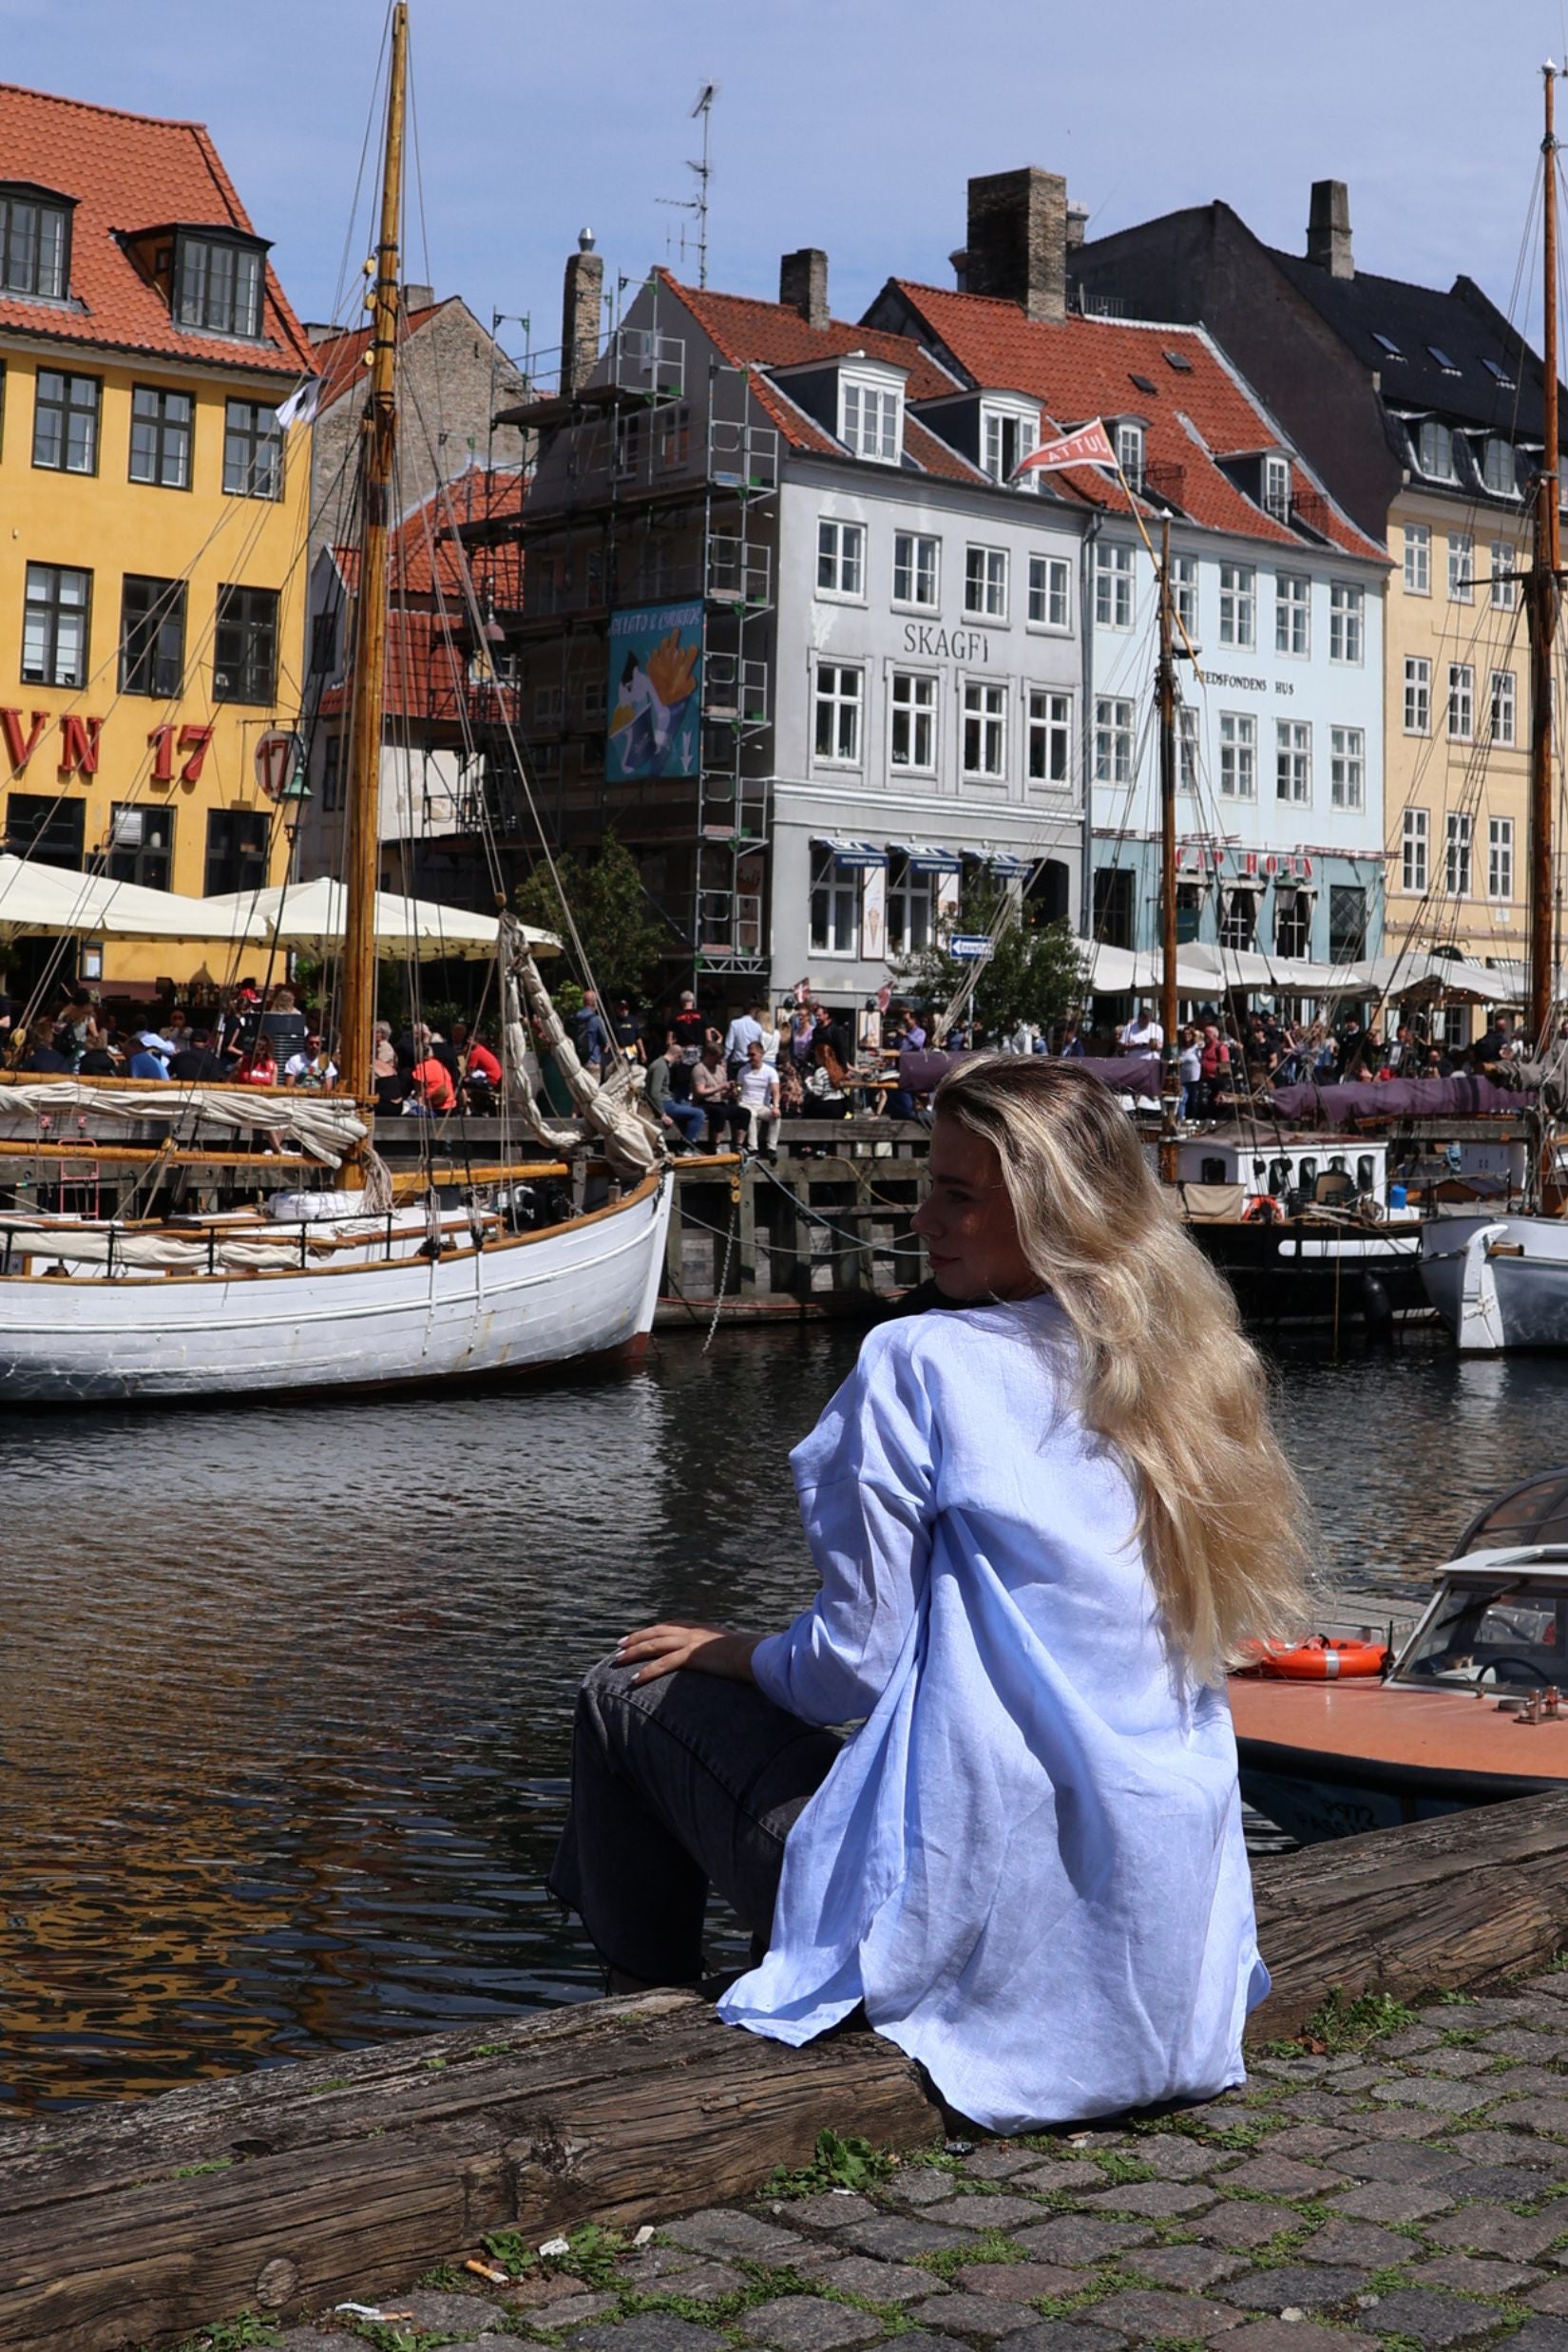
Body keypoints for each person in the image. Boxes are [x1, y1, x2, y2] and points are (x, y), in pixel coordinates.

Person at [550, 1059, 1310, 2132]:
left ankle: (637, 2035)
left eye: (958, 1195)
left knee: (621, 1692)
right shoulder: (1179, 1367)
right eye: (928, 1188)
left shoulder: (919, 1361)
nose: (922, 1220)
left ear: (1051, 1211)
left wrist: (732, 1649)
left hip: (974, 1924)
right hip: (1160, 1945)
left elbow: (851, 1671)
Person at [645, 1035, 705, 1150]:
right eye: (680, 1059)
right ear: (677, 1056)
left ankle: (684, 1142)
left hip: (667, 1102)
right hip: (664, 1104)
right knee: (699, 1114)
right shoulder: (660, 1067)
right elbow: (654, 1092)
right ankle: (687, 1147)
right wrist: (663, 1114)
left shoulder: (661, 1064)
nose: (679, 1062)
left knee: (688, 1110)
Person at [691, 1042, 744, 1146]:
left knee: (744, 1113)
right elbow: (700, 1092)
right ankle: (715, 1144)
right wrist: (720, 1087)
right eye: (716, 1058)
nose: (718, 1061)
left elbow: (722, 1095)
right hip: (703, 1102)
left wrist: (730, 1091)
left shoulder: (720, 1070)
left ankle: (739, 1144)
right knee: (720, 1112)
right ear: (709, 1055)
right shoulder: (699, 1069)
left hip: (719, 1101)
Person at [735, 1039, 780, 1157]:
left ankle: (772, 1148)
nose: (750, 1057)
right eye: (749, 1055)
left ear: (761, 1054)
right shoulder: (743, 1071)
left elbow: (775, 1090)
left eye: (753, 1054)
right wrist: (737, 1091)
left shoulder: (770, 1071)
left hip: (762, 1105)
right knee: (751, 1114)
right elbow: (739, 1087)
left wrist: (776, 1106)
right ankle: (753, 1148)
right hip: (746, 1103)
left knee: (776, 1117)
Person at [571, 988, 609, 1077]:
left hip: (575, 1062)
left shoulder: (574, 1017)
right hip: (592, 1062)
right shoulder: (596, 1019)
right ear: (594, 1003)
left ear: (583, 1002)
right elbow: (604, 1041)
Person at [723, 1001, 767, 1077]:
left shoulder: (734, 1024)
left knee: (737, 1082)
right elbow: (759, 1046)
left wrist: (724, 1060)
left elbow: (729, 1045)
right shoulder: (758, 1026)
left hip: (737, 1062)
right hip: (751, 1061)